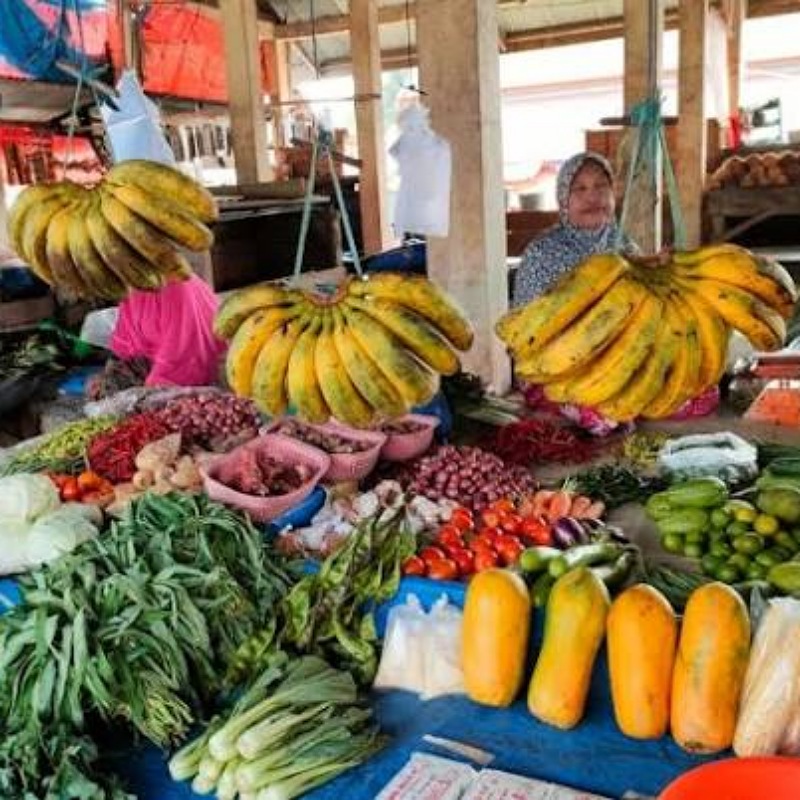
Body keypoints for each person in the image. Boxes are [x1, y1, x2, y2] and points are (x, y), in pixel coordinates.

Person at [511, 151, 718, 431]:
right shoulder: (543, 253)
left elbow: (648, 319)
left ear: (612, 194)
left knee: (701, 394)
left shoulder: (625, 247)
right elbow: (527, 338)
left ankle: (631, 402)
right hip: (555, 370)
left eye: (600, 186)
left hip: (618, 362)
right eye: (580, 189)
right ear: (563, 200)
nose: (592, 196)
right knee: (605, 416)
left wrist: (663, 273)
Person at [108, 273, 225, 388]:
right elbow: (126, 345)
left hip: (196, 370)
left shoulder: (174, 289)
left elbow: (186, 360)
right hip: (156, 364)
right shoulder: (133, 290)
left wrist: (150, 388)